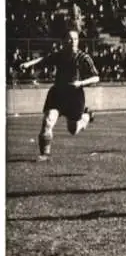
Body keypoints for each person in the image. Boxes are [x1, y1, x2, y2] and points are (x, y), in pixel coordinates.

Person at [19, 30, 100, 161]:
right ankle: (45, 154)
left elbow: (96, 77)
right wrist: (29, 64)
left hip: (74, 97)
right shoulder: (59, 55)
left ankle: (86, 116)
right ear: (64, 42)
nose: (73, 41)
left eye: (75, 39)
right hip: (57, 94)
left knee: (73, 130)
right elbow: (44, 59)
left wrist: (81, 83)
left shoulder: (84, 58)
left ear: (78, 41)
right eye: (70, 39)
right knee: (48, 121)